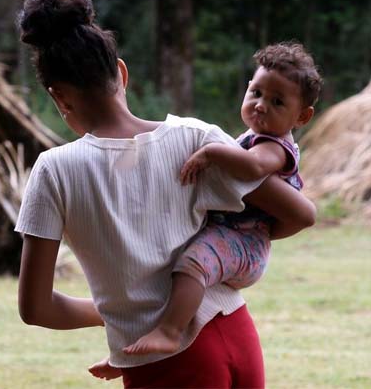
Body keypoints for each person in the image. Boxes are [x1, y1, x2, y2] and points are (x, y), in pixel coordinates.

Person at [14, 0, 317, 388]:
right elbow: (299, 213)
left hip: (165, 362)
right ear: (121, 73)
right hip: (236, 332)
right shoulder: (195, 137)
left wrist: (117, 311)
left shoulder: (53, 172)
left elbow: (36, 308)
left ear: (59, 97)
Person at [123, 42, 321, 356]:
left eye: (277, 101)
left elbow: (253, 167)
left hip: (244, 241)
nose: (260, 105)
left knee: (192, 264)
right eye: (256, 93)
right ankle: (140, 334)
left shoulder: (275, 148)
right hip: (233, 233)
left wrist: (213, 151)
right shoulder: (253, 136)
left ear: (302, 116)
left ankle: (170, 331)